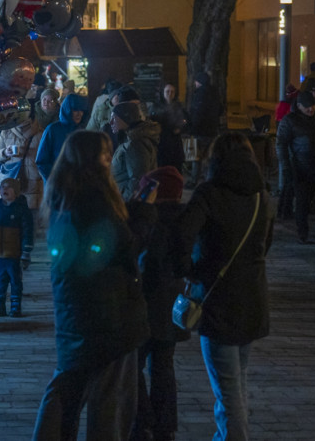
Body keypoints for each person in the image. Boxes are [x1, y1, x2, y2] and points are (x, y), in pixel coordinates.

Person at [31, 131, 149, 441]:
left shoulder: (62, 195)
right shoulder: (95, 199)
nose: (109, 160)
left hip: (75, 312)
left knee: (68, 385)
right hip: (109, 313)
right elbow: (118, 249)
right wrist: (143, 216)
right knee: (110, 401)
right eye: (104, 154)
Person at [172, 133, 274, 441]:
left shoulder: (209, 194)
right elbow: (265, 244)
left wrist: (190, 271)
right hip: (253, 299)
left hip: (218, 302)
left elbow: (181, 237)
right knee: (237, 383)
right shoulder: (261, 195)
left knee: (228, 392)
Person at [130, 167, 190, 441]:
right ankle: (165, 426)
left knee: (134, 365)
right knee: (164, 365)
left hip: (146, 302)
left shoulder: (150, 222)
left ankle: (141, 421)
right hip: (172, 302)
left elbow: (144, 261)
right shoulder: (185, 219)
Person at [276, 90, 315, 243]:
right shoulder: (290, 120)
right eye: (307, 107)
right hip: (300, 165)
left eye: (313, 106)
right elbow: (281, 144)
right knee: (302, 200)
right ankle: (303, 233)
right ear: (299, 106)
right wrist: (286, 167)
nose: (311, 109)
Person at [0, 177, 34, 318]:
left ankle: (15, 306)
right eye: (2, 187)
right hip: (0, 252)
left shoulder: (21, 210)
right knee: (0, 279)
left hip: (14, 252)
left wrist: (26, 250)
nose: (4, 190)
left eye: (8, 187)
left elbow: (28, 230)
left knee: (15, 280)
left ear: (16, 191)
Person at [0, 115, 44, 211]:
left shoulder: (41, 133)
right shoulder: (6, 131)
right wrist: (5, 152)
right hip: (11, 184)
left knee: (31, 219)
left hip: (32, 186)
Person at [110, 101, 161, 200]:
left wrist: (127, 203)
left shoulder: (136, 144)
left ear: (126, 119)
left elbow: (137, 179)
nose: (111, 122)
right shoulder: (130, 139)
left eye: (114, 118)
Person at [35, 93, 88, 182]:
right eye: (75, 110)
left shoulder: (82, 131)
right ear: (68, 110)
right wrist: (54, 180)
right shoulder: (53, 130)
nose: (79, 114)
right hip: (57, 186)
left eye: (81, 110)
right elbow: (41, 161)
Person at [187, 71, 222, 185]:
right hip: (212, 131)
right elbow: (220, 110)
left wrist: (191, 127)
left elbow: (197, 114)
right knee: (208, 158)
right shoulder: (215, 93)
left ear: (199, 82)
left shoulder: (199, 95)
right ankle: (208, 181)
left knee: (196, 158)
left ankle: (194, 180)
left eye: (196, 81)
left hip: (200, 131)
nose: (195, 83)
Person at [151, 83, 187, 171]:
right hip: (162, 142)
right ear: (163, 93)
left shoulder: (178, 106)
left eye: (172, 92)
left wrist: (180, 128)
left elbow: (185, 121)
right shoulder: (156, 106)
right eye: (167, 91)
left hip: (175, 142)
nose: (170, 94)